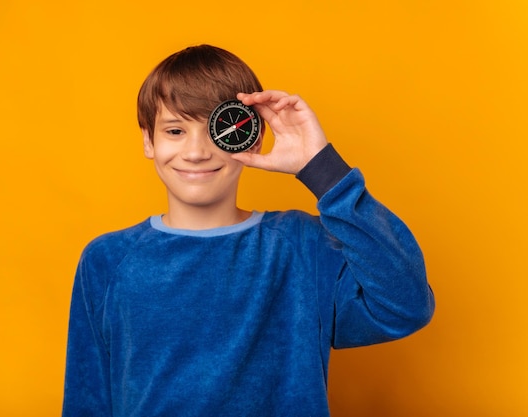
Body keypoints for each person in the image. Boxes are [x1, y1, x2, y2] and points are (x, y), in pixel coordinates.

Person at [62, 44, 435, 416]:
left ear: (251, 137)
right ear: (148, 140)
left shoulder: (301, 248)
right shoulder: (107, 261)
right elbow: (87, 399)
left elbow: (405, 306)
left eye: (216, 130)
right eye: (175, 130)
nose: (195, 152)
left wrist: (321, 168)